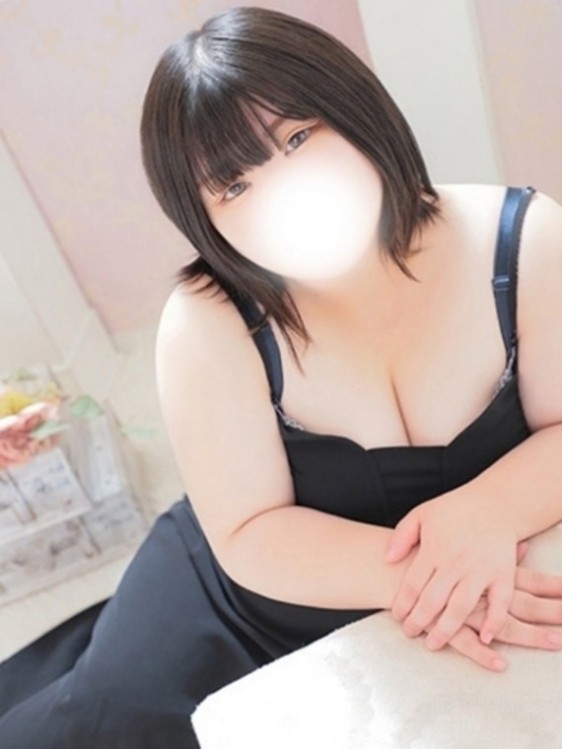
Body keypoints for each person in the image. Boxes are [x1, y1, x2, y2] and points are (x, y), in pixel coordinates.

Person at [1, 6, 562, 748]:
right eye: (233, 186)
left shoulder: (523, 241)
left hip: (471, 559)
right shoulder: (206, 321)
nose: (281, 190)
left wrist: (487, 510)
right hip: (249, 599)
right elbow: (249, 531)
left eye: (297, 138)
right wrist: (427, 580)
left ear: (355, 111)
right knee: (98, 720)